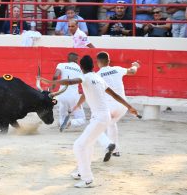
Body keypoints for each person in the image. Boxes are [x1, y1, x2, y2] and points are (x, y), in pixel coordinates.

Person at [40, 55, 139, 188]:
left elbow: (70, 82)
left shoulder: (85, 77)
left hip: (99, 118)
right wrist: (129, 107)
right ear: (93, 66)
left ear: (81, 68)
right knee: (88, 145)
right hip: (102, 117)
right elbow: (115, 95)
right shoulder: (98, 78)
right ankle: (81, 172)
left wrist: (49, 82)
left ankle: (88, 179)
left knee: (79, 146)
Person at [95, 51, 140, 161]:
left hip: (108, 107)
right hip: (122, 106)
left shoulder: (97, 76)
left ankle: (108, 146)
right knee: (111, 124)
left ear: (97, 63)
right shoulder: (117, 69)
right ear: (109, 61)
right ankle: (115, 151)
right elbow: (132, 71)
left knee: (95, 128)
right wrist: (135, 65)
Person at [50, 52, 86, 129]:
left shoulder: (61, 65)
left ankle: (62, 122)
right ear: (77, 59)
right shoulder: (80, 68)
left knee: (62, 117)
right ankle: (70, 122)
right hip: (74, 96)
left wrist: (52, 87)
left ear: (68, 58)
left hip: (62, 95)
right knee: (82, 119)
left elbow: (56, 76)